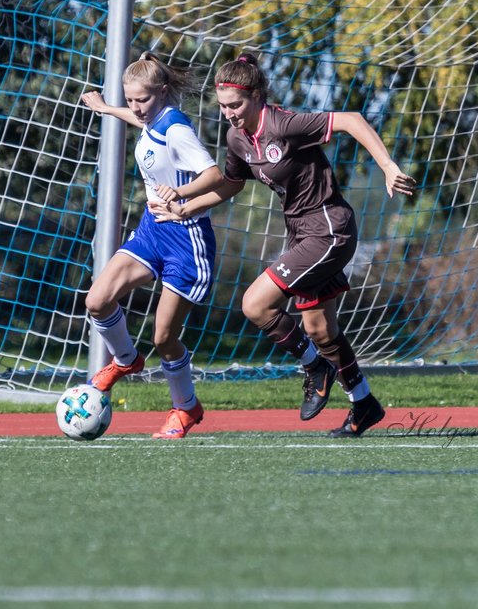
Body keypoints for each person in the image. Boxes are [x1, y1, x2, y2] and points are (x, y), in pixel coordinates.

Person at [151, 53, 416, 437]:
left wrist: (389, 167)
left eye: (236, 105)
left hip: (329, 227)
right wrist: (185, 207)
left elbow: (353, 121)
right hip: (301, 233)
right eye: (223, 106)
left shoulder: (284, 123)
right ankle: (364, 404)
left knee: (255, 304)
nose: (229, 113)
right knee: (320, 328)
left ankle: (314, 367)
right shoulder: (237, 138)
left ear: (257, 95)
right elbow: (231, 184)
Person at [79, 52, 228, 439]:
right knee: (97, 300)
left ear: (162, 92)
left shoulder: (177, 128)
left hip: (186, 239)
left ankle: (186, 408)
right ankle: (126, 360)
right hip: (151, 230)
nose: (136, 107)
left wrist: (179, 193)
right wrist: (108, 108)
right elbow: (141, 123)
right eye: (130, 99)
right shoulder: (151, 117)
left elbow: (214, 175)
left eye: (142, 99)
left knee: (164, 339)